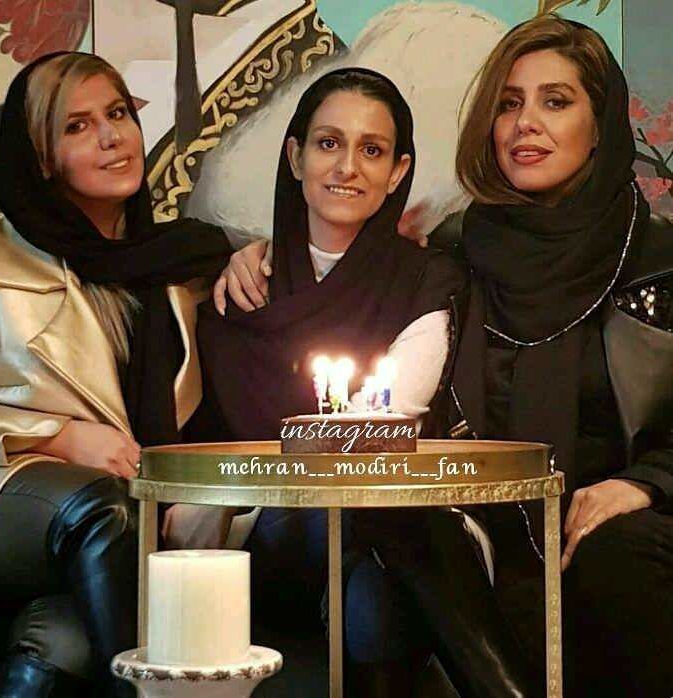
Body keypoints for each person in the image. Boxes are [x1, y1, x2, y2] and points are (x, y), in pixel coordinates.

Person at [188, 68, 538, 698]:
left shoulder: (430, 283)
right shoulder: (239, 292)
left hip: (403, 526)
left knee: (374, 588)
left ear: (397, 173)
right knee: (358, 503)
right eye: (329, 143)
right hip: (276, 544)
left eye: (371, 150)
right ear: (294, 156)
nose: (347, 167)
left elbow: (374, 433)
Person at [0, 51, 234, 696]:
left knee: (61, 639)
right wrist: (58, 437)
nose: (112, 137)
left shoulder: (180, 263)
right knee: (104, 510)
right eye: (77, 126)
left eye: (117, 114)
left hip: (118, 521)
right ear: (41, 156)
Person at [443, 14, 673, 697]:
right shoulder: (453, 251)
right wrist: (252, 255)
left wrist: (645, 484)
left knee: (614, 550)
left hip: (626, 526)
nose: (525, 124)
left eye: (555, 101)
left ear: (600, 126)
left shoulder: (659, 257)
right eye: (509, 103)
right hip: (483, 525)